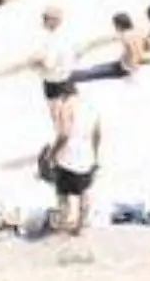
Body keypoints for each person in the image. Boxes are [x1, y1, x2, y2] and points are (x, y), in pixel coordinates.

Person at [48, 81, 101, 236]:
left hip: (68, 160)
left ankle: (64, 223)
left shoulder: (66, 107)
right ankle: (80, 226)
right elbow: (97, 134)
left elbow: (64, 135)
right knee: (84, 192)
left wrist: (52, 154)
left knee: (64, 194)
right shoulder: (91, 107)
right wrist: (96, 155)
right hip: (87, 158)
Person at [37, 7, 77, 128]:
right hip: (67, 78)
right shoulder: (67, 35)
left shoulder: (51, 40)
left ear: (53, 21)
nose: (42, 21)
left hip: (53, 81)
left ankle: (63, 144)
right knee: (70, 117)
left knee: (58, 121)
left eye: (45, 18)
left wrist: (36, 62)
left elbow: (48, 64)